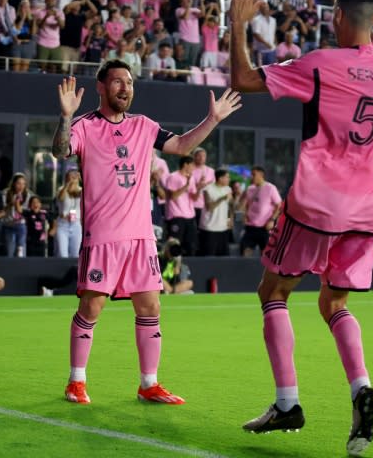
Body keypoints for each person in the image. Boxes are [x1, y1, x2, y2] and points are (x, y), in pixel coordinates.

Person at [229, 0, 373, 455]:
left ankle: (287, 401)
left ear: (338, 16)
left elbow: (244, 80)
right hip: (369, 211)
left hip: (319, 203)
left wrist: (236, 26)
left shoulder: (320, 64)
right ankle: (361, 390)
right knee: (334, 304)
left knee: (273, 290)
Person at [50, 60, 241, 405]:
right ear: (101, 87)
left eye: (130, 83)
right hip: (103, 235)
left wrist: (212, 119)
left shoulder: (144, 126)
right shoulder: (84, 126)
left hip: (141, 236)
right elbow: (60, 150)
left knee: (151, 306)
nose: (125, 88)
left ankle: (148, 384)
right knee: (91, 308)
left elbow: (182, 146)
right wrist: (65, 116)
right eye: (118, 82)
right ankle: (75, 381)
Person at [238, 166, 282, 257]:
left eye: (254, 175)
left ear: (261, 175)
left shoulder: (270, 188)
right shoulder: (250, 189)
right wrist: (245, 215)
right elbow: (245, 205)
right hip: (250, 227)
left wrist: (272, 220)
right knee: (245, 251)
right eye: (251, 175)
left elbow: (279, 205)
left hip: (264, 228)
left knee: (265, 255)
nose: (251, 177)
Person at [164, 156, 199, 256]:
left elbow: (194, 198)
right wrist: (186, 186)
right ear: (185, 165)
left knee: (190, 245)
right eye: (192, 165)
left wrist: (199, 188)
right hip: (176, 216)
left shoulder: (191, 178)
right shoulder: (173, 177)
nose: (193, 168)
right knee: (174, 245)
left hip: (190, 216)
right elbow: (173, 196)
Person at [198, 168, 233, 256]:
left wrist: (230, 219)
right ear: (220, 178)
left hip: (223, 228)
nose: (229, 179)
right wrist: (222, 198)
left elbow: (230, 206)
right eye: (227, 177)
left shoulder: (228, 189)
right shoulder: (208, 189)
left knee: (223, 256)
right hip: (210, 228)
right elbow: (209, 207)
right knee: (208, 255)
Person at [51, 169, 82, 258]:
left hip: (76, 224)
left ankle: (74, 272)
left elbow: (90, 193)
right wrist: (68, 184)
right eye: (71, 176)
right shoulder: (62, 189)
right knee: (62, 253)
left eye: (75, 176)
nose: (73, 178)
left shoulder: (81, 190)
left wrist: (82, 179)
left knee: (75, 254)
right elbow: (60, 198)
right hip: (62, 224)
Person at [2, 172, 31, 257]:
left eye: (23, 184)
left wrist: (18, 204)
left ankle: (21, 251)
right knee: (9, 252)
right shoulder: (6, 193)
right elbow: (2, 209)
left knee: (21, 252)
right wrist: (11, 203)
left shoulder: (27, 195)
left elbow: (25, 211)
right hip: (8, 225)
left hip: (21, 225)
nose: (21, 186)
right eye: (18, 183)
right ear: (14, 183)